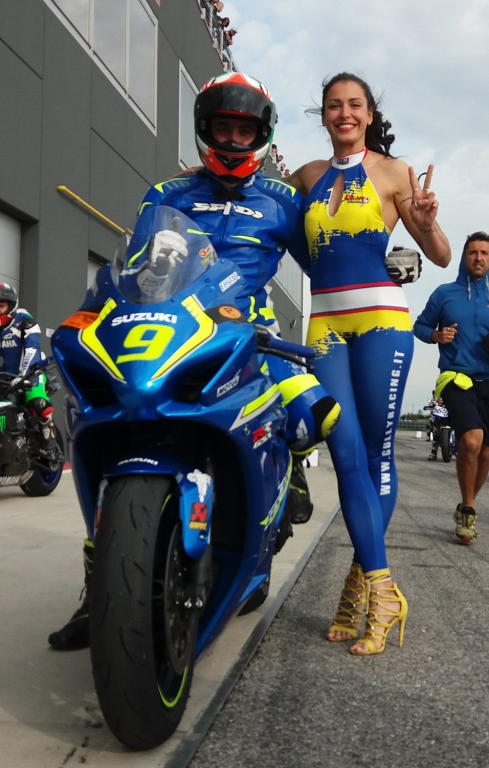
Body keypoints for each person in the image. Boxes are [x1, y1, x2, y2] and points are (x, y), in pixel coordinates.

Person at [48, 72, 341, 651]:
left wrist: (373, 276)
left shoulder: (283, 200)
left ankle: (285, 480)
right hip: (176, 327)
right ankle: (98, 584)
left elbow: (328, 269)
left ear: (260, 135)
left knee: (317, 417)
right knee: (111, 416)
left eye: (243, 131)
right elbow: (137, 266)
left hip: (250, 332)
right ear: (205, 129)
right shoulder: (167, 192)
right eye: (223, 128)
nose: (232, 140)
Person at [288, 72, 451, 655]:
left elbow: (440, 254)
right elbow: (277, 231)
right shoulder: (305, 176)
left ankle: (364, 588)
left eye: (354, 104)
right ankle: (380, 589)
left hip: (382, 322)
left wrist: (425, 221)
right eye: (334, 105)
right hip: (325, 327)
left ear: (369, 113)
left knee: (375, 455)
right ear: (323, 115)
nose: (344, 114)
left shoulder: (393, 173)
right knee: (344, 451)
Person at [414, 232, 489, 544]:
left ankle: (465, 503)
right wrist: (437, 336)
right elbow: (419, 326)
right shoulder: (445, 293)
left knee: (486, 452)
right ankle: (469, 509)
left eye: (484, 253)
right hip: (456, 378)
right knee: (471, 441)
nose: (479, 258)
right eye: (473, 252)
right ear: (464, 257)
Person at [0, 282, 57, 457]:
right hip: (5, 376)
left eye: (0, 306)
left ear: (11, 306)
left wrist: (25, 376)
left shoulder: (24, 319)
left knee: (37, 401)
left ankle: (49, 441)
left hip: (31, 371)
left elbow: (32, 348)